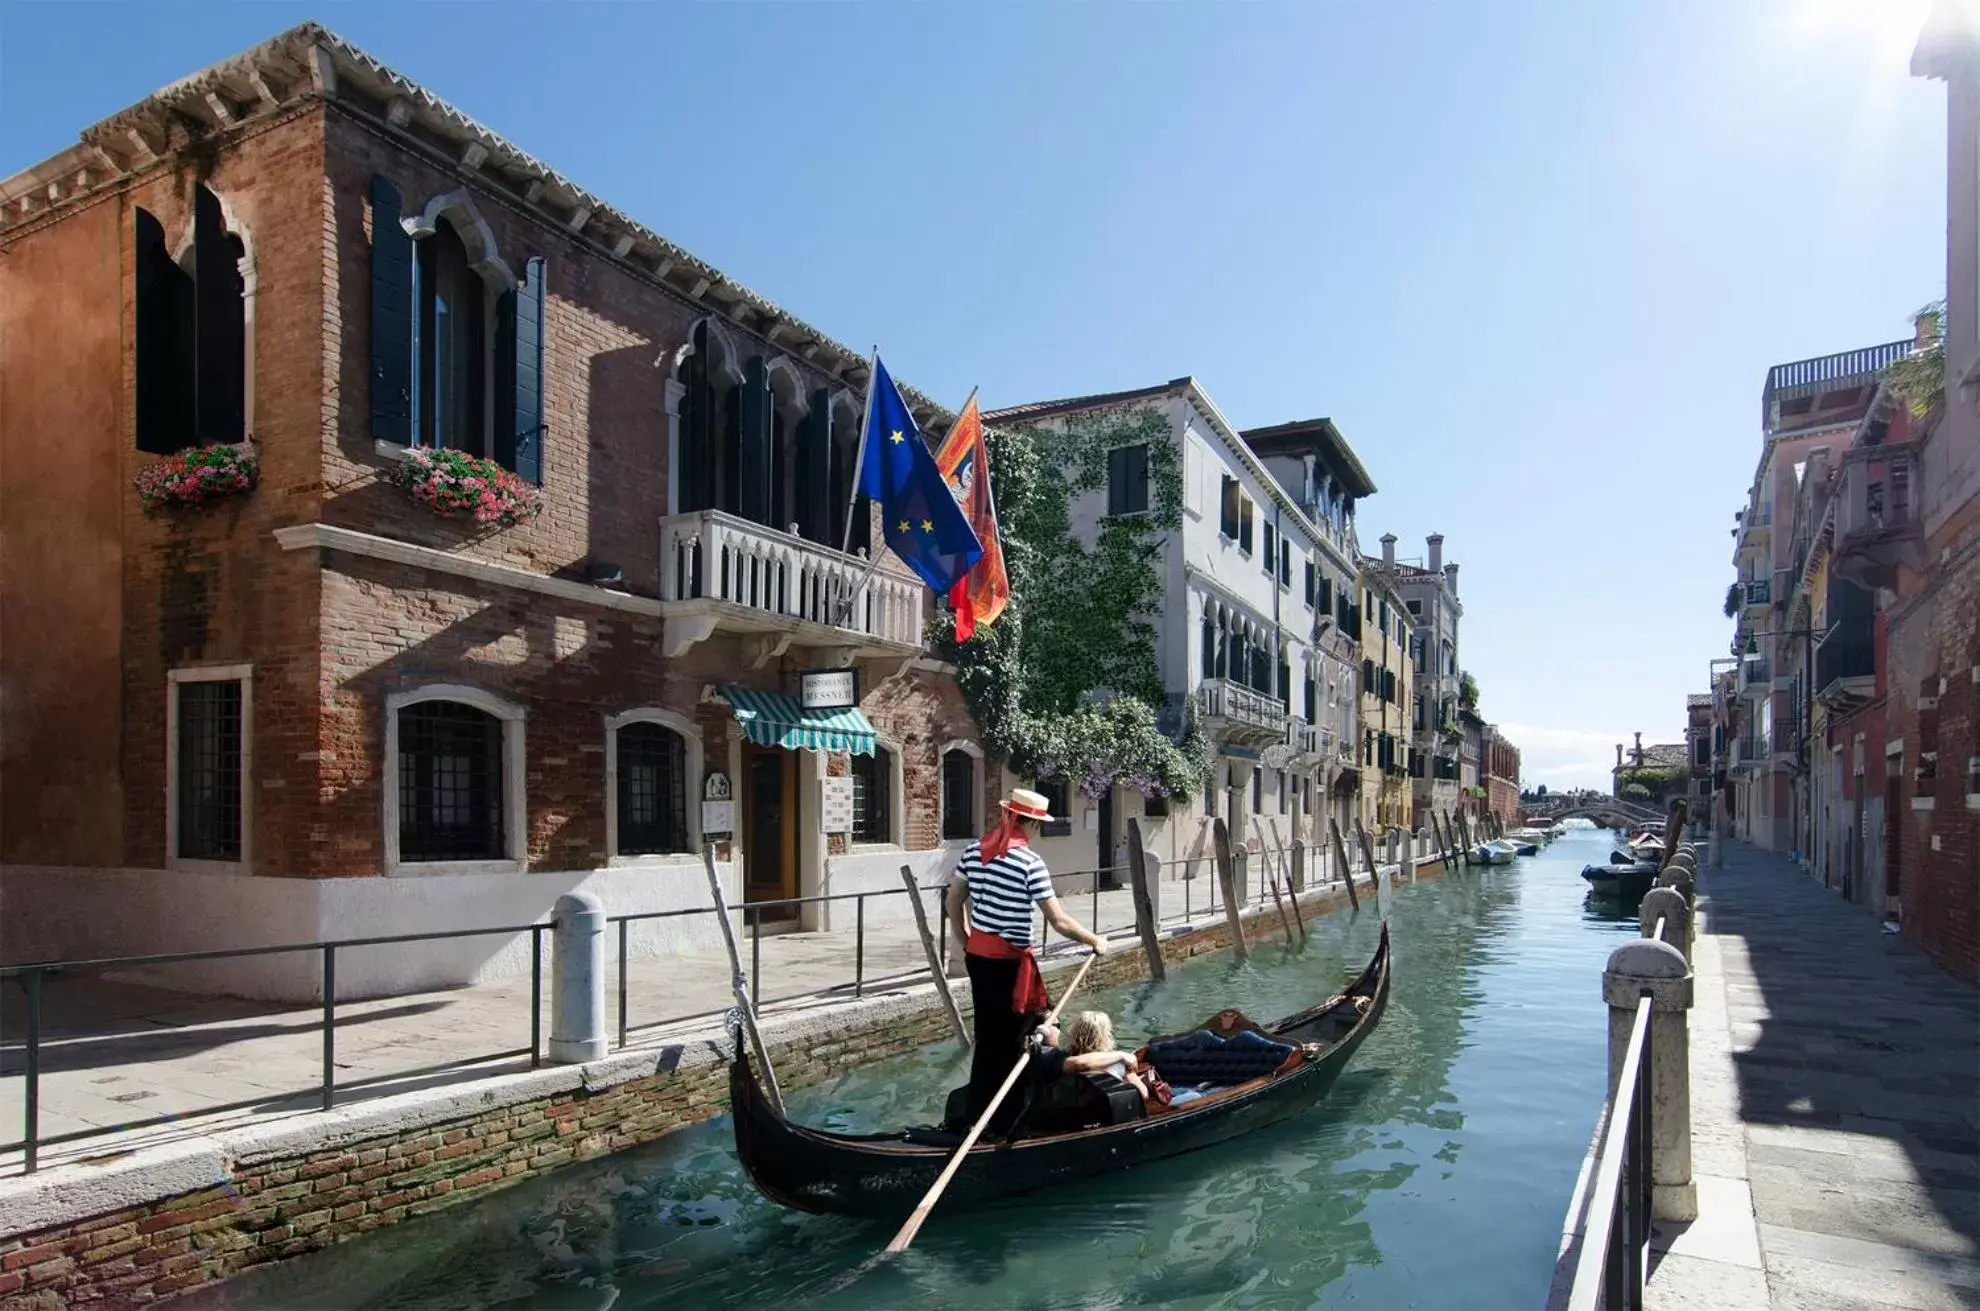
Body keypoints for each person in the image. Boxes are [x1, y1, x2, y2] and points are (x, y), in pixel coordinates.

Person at [945, 787, 1108, 1127]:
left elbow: (953, 901)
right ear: (1030, 824)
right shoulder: (1030, 863)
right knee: (1026, 1039)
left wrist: (966, 941)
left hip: (979, 958)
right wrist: (1095, 940)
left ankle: (979, 1114)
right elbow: (1058, 920)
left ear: (1008, 815)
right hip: (1010, 966)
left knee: (990, 1038)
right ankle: (1013, 1120)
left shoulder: (975, 851)